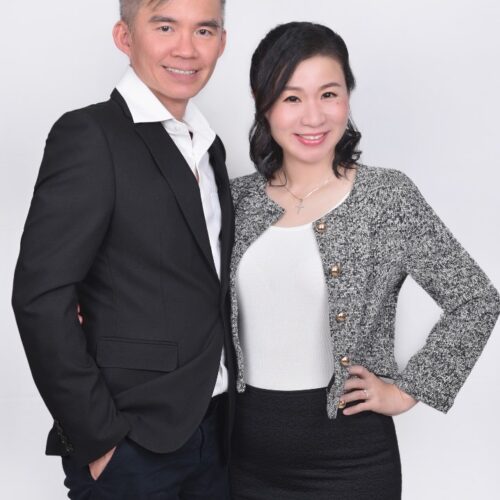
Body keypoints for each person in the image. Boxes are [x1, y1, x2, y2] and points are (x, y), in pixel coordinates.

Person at [228, 22, 500, 500]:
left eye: (329, 94)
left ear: (348, 97)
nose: (313, 116)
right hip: (241, 459)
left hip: (351, 463)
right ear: (262, 102)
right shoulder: (235, 200)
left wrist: (409, 389)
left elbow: (475, 299)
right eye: (291, 98)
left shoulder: (386, 197)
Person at [11, 0, 234, 498]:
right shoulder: (90, 135)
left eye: (204, 30)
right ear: (124, 37)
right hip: (131, 442)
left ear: (222, 42)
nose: (186, 48)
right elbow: (39, 298)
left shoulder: (209, 148)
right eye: (165, 27)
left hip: (218, 434)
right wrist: (99, 439)